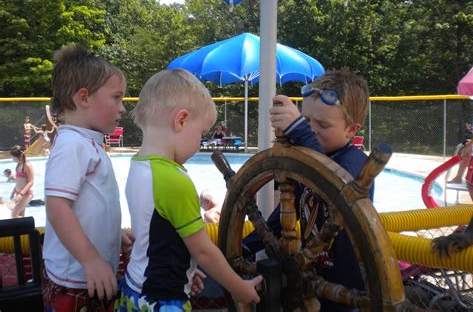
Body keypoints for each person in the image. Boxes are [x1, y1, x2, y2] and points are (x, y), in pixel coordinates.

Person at [116, 68, 261, 311]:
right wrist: (240, 288)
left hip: (132, 290)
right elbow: (204, 251)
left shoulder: (139, 166)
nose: (199, 144)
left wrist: (185, 269)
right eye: (201, 134)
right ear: (181, 120)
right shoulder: (174, 179)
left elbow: (158, 236)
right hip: (161, 301)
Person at [245, 68, 371, 312]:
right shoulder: (306, 161)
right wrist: (246, 246)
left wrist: (300, 132)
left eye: (322, 124)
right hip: (310, 278)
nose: (312, 129)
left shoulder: (356, 163)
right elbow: (282, 216)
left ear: (351, 130)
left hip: (349, 290)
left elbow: (332, 184)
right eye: (306, 120)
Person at [42, 44, 133, 312]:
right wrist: (91, 259)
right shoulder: (72, 144)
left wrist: (111, 233)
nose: (123, 108)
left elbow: (87, 205)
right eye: (116, 98)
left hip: (86, 276)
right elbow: (58, 207)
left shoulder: (86, 143)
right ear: (84, 98)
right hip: (74, 281)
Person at [9, 145, 34, 218]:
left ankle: (29, 224)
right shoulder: (18, 166)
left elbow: (31, 182)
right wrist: (13, 193)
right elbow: (18, 182)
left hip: (25, 195)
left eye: (13, 157)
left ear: (19, 156)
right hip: (18, 194)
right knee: (20, 215)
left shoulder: (27, 166)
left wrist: (21, 194)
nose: (12, 159)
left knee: (14, 215)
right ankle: (23, 229)